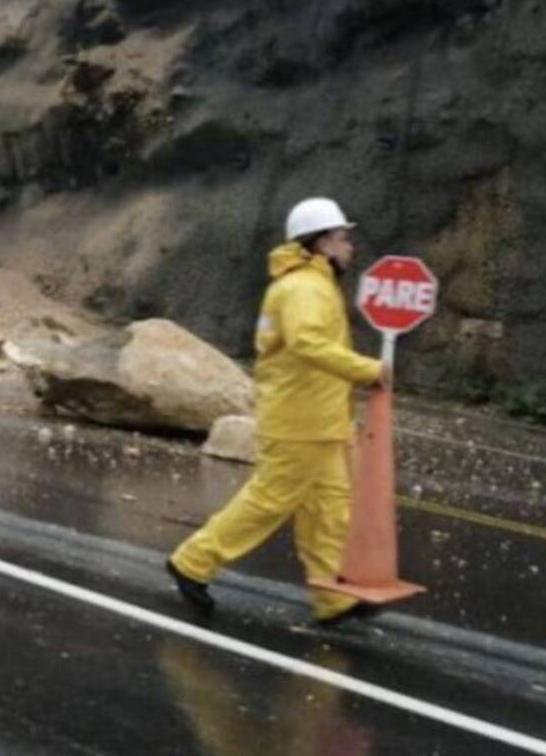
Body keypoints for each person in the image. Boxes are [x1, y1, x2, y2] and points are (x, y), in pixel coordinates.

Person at [166, 197, 392, 626]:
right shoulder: (303, 289)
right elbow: (307, 344)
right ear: (321, 242)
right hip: (298, 423)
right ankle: (192, 562)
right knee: (269, 501)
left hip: (320, 422)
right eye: (342, 237)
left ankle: (332, 597)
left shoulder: (310, 285)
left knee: (329, 509)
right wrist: (368, 370)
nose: (349, 247)